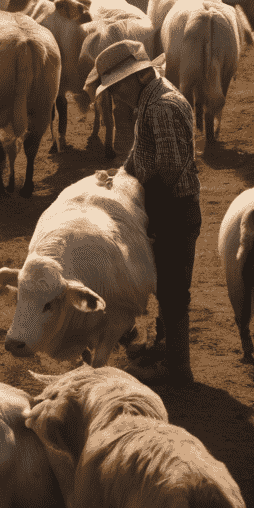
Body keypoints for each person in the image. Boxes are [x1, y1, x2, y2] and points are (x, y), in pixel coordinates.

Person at [85, 39, 200, 385]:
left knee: (173, 288)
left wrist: (146, 210)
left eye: (117, 87)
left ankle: (178, 368)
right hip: (170, 207)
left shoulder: (161, 106)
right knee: (166, 283)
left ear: (136, 78)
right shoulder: (150, 101)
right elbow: (141, 154)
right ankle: (165, 350)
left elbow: (168, 168)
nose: (116, 96)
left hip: (173, 209)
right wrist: (119, 178)